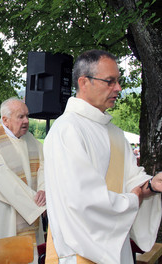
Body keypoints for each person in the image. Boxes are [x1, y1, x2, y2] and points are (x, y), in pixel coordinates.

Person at [43, 49, 162, 264]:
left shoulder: (114, 133)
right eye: (110, 81)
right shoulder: (67, 130)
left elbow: (131, 180)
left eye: (118, 81)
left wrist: (152, 184)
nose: (118, 88)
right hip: (79, 250)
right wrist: (133, 199)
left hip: (116, 244)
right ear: (84, 82)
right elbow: (82, 200)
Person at [0, 97, 46, 263]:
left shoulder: (30, 139)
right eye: (20, 117)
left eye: (27, 116)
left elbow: (44, 166)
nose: (26, 121)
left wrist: (43, 190)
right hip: (5, 213)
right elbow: (2, 179)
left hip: (32, 209)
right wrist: (36, 204)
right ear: (5, 120)